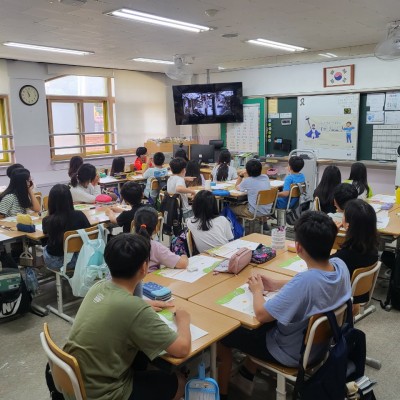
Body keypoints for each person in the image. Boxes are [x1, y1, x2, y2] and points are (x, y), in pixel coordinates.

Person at [217, 211, 351, 399]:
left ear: (298, 247)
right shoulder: (340, 265)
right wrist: (276, 283)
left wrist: (257, 290)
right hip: (322, 346)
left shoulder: (306, 282)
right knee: (263, 325)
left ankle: (223, 392)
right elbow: (308, 284)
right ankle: (246, 374)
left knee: (227, 334)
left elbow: (262, 314)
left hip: (291, 352)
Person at [63, 234, 191, 400]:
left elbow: (121, 311)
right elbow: (181, 349)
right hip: (103, 393)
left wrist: (142, 305)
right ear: (144, 268)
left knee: (144, 360)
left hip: (74, 381)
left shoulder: (99, 286)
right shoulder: (134, 309)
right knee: (180, 382)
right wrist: (183, 320)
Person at [42, 184, 90, 270]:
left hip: (57, 262)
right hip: (79, 259)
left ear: (51, 201)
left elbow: (45, 233)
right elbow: (89, 231)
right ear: (69, 199)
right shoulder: (80, 215)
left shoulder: (48, 220)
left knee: (45, 247)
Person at [333, 199, 379, 279]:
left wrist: (331, 235)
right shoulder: (373, 250)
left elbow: (320, 265)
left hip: (344, 290)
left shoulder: (341, 258)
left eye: (344, 214)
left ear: (348, 225)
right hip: (362, 291)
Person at [134, 207, 188, 271]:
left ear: (133, 225)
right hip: (150, 280)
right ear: (156, 228)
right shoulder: (156, 247)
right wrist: (182, 254)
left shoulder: (125, 242)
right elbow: (183, 264)